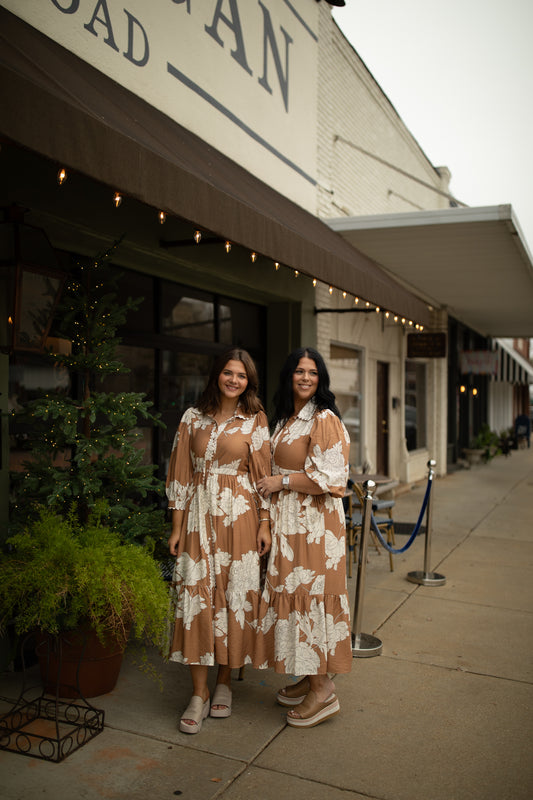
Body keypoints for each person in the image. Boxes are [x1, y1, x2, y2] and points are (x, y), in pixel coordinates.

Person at [166, 348, 271, 734]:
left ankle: (224, 682)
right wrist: (176, 528)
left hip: (240, 520)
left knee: (234, 599)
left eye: (241, 376)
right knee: (197, 599)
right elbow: (179, 473)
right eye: (228, 373)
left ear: (249, 382)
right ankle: (199, 693)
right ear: (217, 375)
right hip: (197, 517)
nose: (234, 380)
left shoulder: (256, 420)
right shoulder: (192, 418)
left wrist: (265, 524)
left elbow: (263, 476)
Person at [255, 347, 351, 728]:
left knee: (309, 599)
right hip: (288, 523)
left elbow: (333, 479)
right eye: (299, 371)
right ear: (289, 377)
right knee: (295, 599)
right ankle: (309, 673)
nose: (305, 377)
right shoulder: (286, 419)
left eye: (312, 372)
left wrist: (282, 481)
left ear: (320, 378)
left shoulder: (323, 419)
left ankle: (323, 689)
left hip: (314, 525)